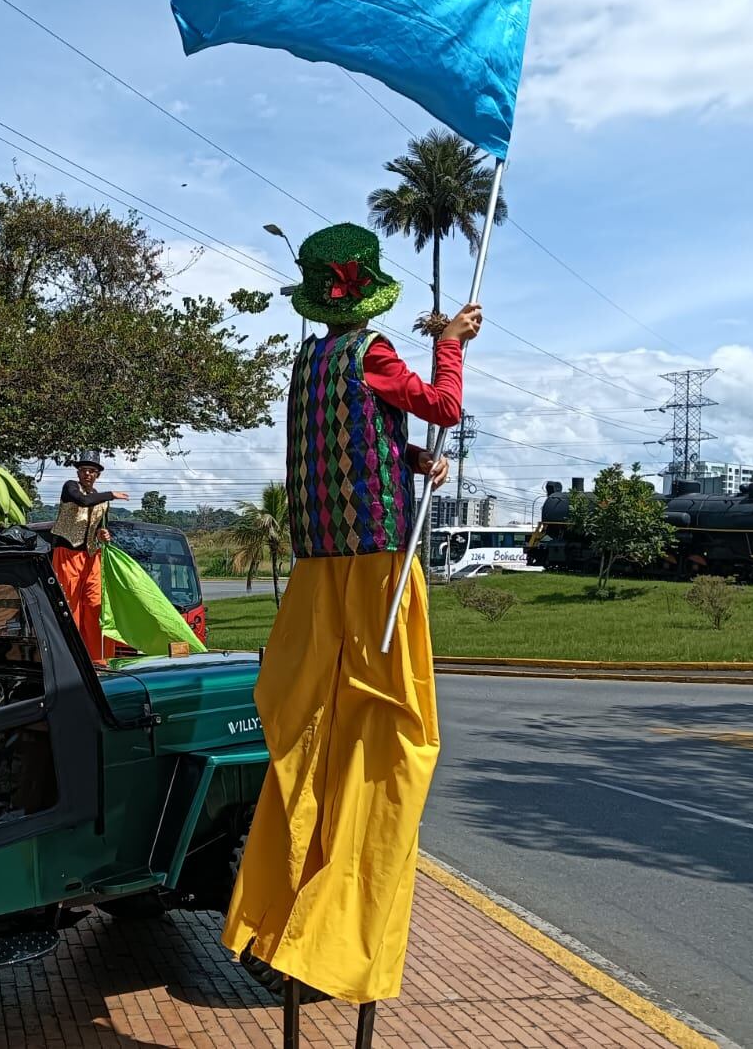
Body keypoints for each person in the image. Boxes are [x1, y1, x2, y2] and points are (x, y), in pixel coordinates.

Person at [223, 222, 479, 1006]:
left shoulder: (310, 360)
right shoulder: (371, 355)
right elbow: (442, 405)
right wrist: (455, 343)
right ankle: (338, 920)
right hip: (373, 567)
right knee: (395, 735)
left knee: (310, 737)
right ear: (366, 294)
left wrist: (410, 460)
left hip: (315, 573)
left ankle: (287, 903)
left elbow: (360, 434)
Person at [49, 451, 127, 662]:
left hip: (92, 556)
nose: (88, 474)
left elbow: (101, 528)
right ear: (79, 472)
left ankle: (98, 659)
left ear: (97, 475)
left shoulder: (102, 501)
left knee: (95, 606)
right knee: (70, 606)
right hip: (67, 554)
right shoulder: (70, 487)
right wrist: (112, 494)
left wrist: (104, 534)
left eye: (92, 471)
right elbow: (83, 501)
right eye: (84, 470)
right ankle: (71, 659)